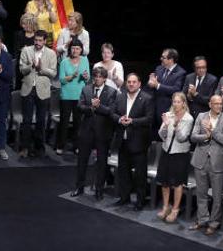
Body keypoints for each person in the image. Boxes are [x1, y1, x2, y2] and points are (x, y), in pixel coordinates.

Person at [189, 95, 223, 235]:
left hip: (217, 163)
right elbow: (193, 136)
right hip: (200, 160)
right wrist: (206, 137)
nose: (219, 106)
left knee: (217, 196)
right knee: (201, 193)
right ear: (210, 104)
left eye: (221, 104)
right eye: (216, 104)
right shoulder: (201, 116)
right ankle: (202, 219)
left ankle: (214, 223)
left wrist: (212, 131)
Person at [71, 67, 117, 200]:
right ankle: (79, 187)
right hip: (86, 131)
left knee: (102, 163)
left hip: (103, 132)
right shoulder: (86, 89)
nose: (97, 78)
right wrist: (91, 108)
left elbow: (111, 111)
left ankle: (99, 191)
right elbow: (80, 106)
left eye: (100, 76)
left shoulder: (112, 92)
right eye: (95, 76)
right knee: (82, 161)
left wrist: (98, 106)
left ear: (104, 79)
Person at [111, 73, 154, 211]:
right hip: (122, 141)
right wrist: (119, 119)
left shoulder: (147, 98)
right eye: (129, 82)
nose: (131, 84)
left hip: (139, 143)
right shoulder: (120, 96)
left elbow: (149, 119)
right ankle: (124, 198)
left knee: (140, 175)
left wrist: (132, 121)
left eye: (134, 82)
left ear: (139, 84)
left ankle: (140, 201)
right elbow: (112, 113)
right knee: (123, 172)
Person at [155, 91, 194, 223]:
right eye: (174, 101)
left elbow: (182, 138)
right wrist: (166, 125)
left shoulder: (188, 118)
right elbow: (161, 135)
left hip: (180, 154)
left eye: (178, 102)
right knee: (165, 182)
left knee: (177, 183)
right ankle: (166, 206)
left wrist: (176, 126)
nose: (176, 104)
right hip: (166, 151)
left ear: (183, 103)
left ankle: (175, 209)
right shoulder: (169, 115)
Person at [18, 30, 57, 158]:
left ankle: (39, 147)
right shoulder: (26, 51)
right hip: (28, 88)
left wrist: (41, 69)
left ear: (45, 41)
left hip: (43, 90)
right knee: (27, 120)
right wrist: (31, 66)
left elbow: (53, 73)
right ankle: (25, 148)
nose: (37, 43)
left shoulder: (51, 53)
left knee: (41, 120)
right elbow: (22, 69)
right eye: (36, 40)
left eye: (40, 40)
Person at [56, 38, 90, 155]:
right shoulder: (64, 62)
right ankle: (61, 145)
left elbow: (88, 78)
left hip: (80, 96)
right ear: (70, 50)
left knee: (78, 123)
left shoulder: (85, 60)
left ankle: (77, 146)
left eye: (77, 48)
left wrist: (85, 77)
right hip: (66, 95)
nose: (75, 50)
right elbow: (61, 80)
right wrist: (71, 76)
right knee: (64, 122)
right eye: (73, 48)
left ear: (81, 50)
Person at [147, 48, 186, 134]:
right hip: (154, 108)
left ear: (171, 60)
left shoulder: (181, 73)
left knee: (164, 136)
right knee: (152, 136)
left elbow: (176, 90)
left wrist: (158, 85)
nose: (161, 59)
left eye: (163, 57)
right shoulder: (159, 68)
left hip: (168, 110)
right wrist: (150, 83)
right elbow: (152, 85)